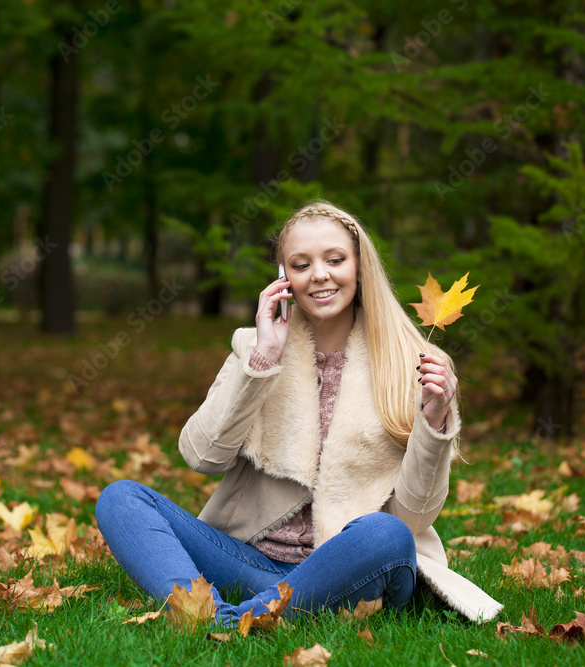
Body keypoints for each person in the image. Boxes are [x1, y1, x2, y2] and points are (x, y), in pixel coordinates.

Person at [96, 200, 503, 625]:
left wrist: (433, 423)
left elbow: (416, 516)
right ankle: (218, 615)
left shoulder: (416, 364)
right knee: (121, 499)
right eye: (301, 263)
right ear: (283, 277)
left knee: (387, 533)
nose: (320, 274)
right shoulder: (256, 347)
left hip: (355, 570)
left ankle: (235, 620)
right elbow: (202, 457)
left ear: (360, 267)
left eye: (335, 259)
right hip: (250, 563)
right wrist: (261, 361)